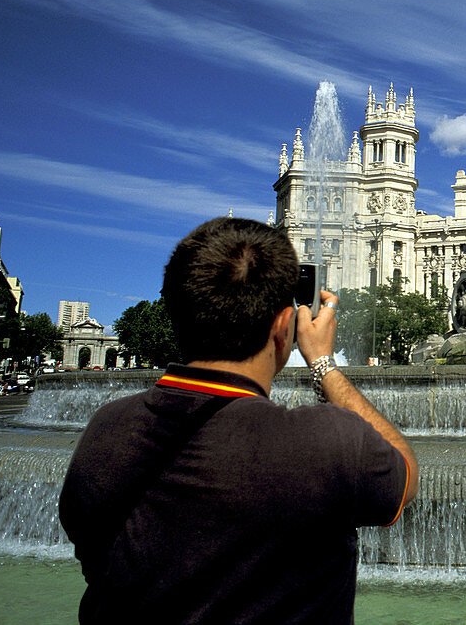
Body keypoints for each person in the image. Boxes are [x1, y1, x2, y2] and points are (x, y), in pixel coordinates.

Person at [59, 217, 417, 624]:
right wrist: (322, 362)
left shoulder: (107, 429)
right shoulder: (325, 441)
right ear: (285, 327)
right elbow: (403, 473)